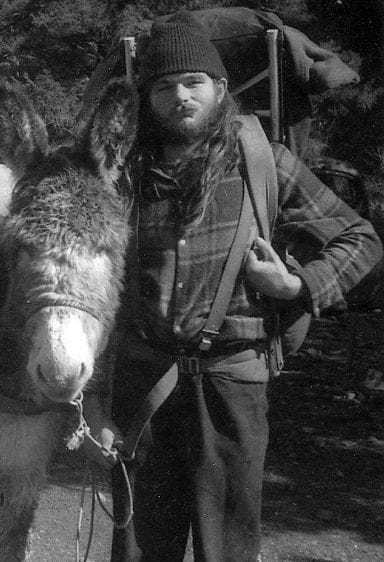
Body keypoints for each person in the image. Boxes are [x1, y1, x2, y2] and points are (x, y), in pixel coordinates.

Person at [80, 12, 383, 562]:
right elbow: (105, 298)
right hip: (143, 385)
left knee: (228, 550)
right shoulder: (123, 174)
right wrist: (96, 403)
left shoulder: (262, 162)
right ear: (147, 99)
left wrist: (296, 285)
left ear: (219, 89)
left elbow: (361, 238)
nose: (180, 97)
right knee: (138, 549)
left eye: (192, 83)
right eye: (165, 87)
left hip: (232, 386)